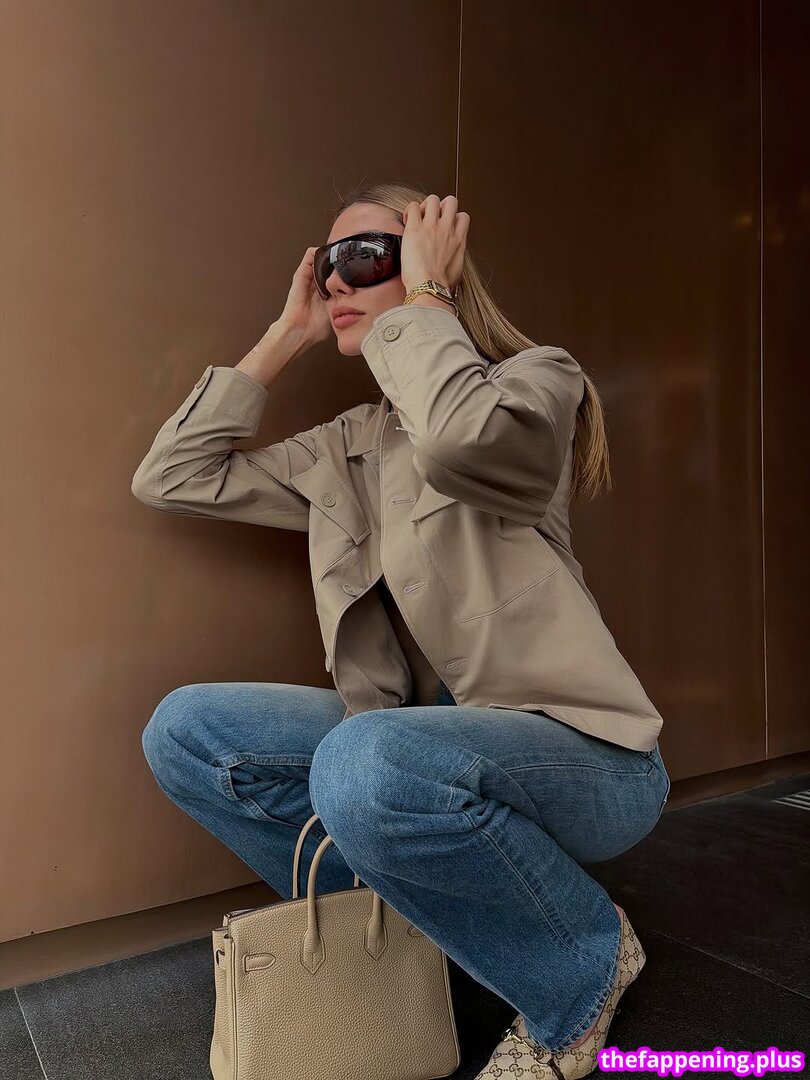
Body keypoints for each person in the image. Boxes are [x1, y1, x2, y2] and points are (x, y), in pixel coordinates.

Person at [132, 183, 671, 1079]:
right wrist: (290, 333)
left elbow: (461, 442)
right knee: (188, 731)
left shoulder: (533, 383)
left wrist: (426, 297)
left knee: (366, 758)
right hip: (409, 746)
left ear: (431, 257)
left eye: (365, 256)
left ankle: (581, 966)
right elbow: (173, 476)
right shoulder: (347, 446)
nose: (338, 280)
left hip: (585, 756)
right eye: (327, 264)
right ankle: (423, 933)